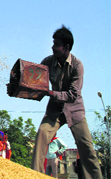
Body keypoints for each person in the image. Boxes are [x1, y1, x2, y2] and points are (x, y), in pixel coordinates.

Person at [30, 25, 102, 179]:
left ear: (66, 47)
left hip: (75, 111)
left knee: (87, 148)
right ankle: (35, 175)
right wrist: (18, 84)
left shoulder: (77, 66)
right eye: (53, 43)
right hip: (55, 110)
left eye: (56, 44)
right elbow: (34, 79)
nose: (52, 47)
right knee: (42, 133)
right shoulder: (48, 62)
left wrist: (51, 93)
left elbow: (73, 95)